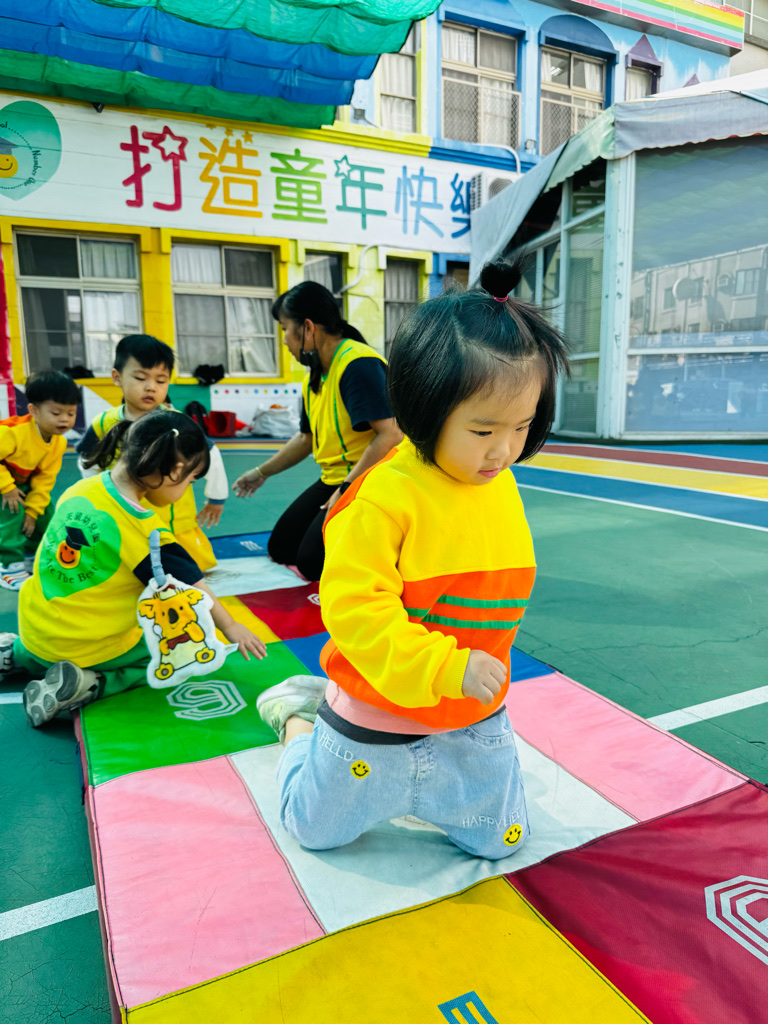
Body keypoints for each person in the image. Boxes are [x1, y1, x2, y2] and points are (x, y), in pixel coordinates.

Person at [256, 259, 569, 860]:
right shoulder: (383, 498)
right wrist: (445, 666)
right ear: (425, 407)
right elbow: (355, 614)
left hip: (470, 717)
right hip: (376, 716)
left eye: (522, 426)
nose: (504, 451)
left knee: (501, 843)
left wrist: (464, 676)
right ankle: (300, 720)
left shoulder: (496, 480)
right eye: (483, 431)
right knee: (313, 830)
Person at [0, 410, 266, 727]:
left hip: (34, 628)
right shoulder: (147, 533)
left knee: (56, 620)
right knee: (176, 653)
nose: (187, 490)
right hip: (83, 646)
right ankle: (90, 684)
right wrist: (230, 626)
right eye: (191, 481)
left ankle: (13, 655)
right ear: (174, 472)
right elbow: (193, 585)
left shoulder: (78, 490)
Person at [232, 282, 402, 582]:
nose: (285, 340)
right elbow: (305, 439)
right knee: (281, 548)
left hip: (370, 481)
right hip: (335, 478)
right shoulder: (315, 376)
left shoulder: (358, 364)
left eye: (285, 329)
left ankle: (392, 545)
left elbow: (391, 435)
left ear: (308, 328)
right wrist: (261, 472)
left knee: (310, 563)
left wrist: (345, 491)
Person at [77, 334, 227, 572]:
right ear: (117, 377)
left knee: (187, 573)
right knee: (125, 572)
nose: (151, 387)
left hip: (174, 523)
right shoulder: (104, 423)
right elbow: (87, 460)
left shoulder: (177, 423)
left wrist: (216, 498)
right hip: (124, 520)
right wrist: (98, 493)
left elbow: (211, 455)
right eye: (140, 378)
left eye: (161, 380)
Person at [0, 371, 81, 591]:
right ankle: (8, 565)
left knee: (44, 511)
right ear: (33, 410)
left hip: (20, 484)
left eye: (71, 413)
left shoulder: (58, 443)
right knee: (12, 510)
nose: (65, 419)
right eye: (56, 413)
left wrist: (33, 511)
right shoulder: (11, 433)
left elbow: (44, 480)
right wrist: (6, 488)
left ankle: (30, 555)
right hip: (4, 484)